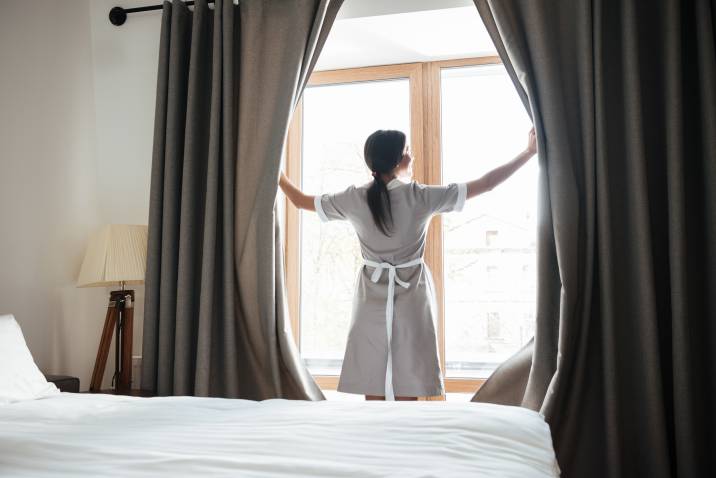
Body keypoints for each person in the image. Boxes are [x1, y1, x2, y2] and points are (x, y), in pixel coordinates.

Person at [279, 127, 537, 401]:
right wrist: (527, 153)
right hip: (412, 293)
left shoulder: (354, 198)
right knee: (410, 380)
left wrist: (277, 173)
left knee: (372, 379)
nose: (411, 156)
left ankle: (376, 439)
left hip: (371, 295)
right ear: (397, 161)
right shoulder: (420, 196)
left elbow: (298, 201)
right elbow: (486, 184)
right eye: (407, 151)